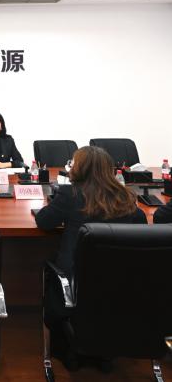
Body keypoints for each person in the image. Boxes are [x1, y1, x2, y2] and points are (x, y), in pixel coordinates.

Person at [35, 145, 147, 369]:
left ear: (80, 169)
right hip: (119, 284)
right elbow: (141, 228)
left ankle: (68, 345)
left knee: (51, 263)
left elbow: (44, 221)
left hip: (75, 282)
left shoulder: (70, 194)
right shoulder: (126, 197)